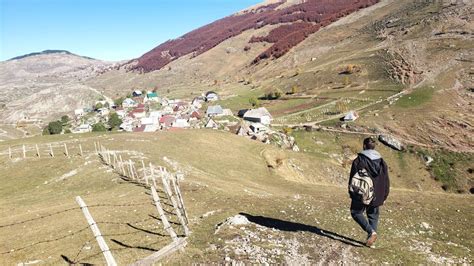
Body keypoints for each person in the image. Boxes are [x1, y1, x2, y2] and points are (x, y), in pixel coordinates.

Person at [348, 137, 390, 247]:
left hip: (362, 194)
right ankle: (371, 241)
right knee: (373, 216)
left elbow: (353, 178)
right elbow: (386, 180)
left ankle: (371, 232)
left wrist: (351, 192)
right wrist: (384, 195)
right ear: (374, 147)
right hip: (378, 194)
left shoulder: (359, 160)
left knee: (355, 212)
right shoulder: (382, 162)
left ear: (364, 146)